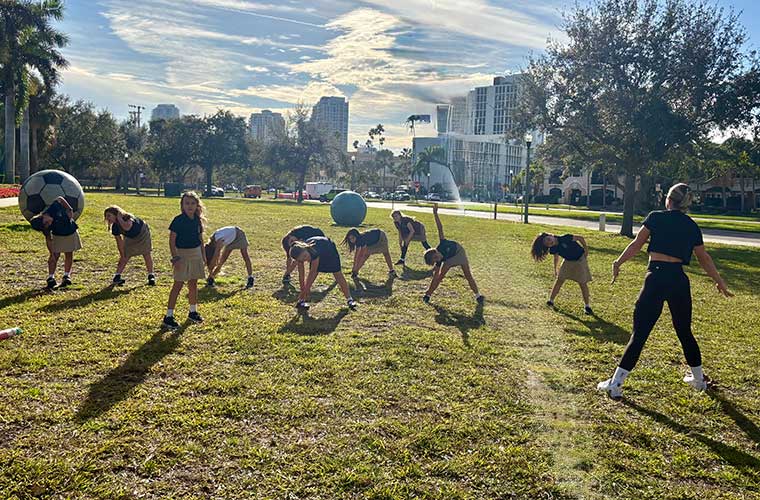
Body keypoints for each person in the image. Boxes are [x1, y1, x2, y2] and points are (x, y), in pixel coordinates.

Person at [597, 183, 733, 400]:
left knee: (640, 334)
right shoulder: (691, 225)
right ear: (686, 204)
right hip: (678, 279)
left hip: (656, 277)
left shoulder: (656, 217)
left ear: (668, 199)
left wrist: (618, 261)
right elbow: (704, 258)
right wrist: (719, 281)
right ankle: (698, 381)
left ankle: (615, 384)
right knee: (684, 331)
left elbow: (637, 244)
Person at [422, 204, 484, 304]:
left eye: (435, 257)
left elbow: (440, 228)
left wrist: (435, 213)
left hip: (459, 252)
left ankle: (478, 296)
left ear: (435, 251)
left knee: (467, 275)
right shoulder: (439, 262)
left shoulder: (442, 244)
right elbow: (435, 277)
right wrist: (427, 294)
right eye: (435, 261)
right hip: (449, 261)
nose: (437, 259)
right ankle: (428, 295)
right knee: (440, 276)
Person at [164, 192, 207, 328]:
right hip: (181, 255)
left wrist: (203, 256)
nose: (190, 206)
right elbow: (172, 241)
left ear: (197, 205)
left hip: (196, 254)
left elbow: (200, 240)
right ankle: (168, 316)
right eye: (187, 203)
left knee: (193, 284)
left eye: (192, 203)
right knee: (178, 284)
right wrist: (175, 258)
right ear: (182, 205)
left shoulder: (197, 220)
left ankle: (192, 312)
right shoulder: (178, 220)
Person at [289, 236, 358, 311]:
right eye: (302, 259)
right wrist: (303, 289)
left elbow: (313, 271)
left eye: (305, 256)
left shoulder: (313, 251)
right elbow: (301, 274)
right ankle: (301, 301)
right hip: (317, 252)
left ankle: (349, 299)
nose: (306, 259)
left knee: (337, 274)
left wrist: (307, 289)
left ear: (305, 248)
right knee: (308, 283)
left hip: (329, 250)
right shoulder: (301, 256)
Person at [530, 232, 593, 314]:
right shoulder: (553, 249)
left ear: (551, 235)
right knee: (559, 280)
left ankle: (587, 306)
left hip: (579, 260)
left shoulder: (565, 238)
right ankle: (551, 300)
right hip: (567, 261)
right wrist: (555, 269)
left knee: (582, 283)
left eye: (548, 239)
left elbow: (580, 238)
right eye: (547, 244)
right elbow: (556, 258)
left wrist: (586, 249)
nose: (549, 242)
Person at [30, 196, 82, 289]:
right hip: (57, 235)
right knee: (55, 256)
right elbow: (49, 239)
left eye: (46, 222)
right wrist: (51, 253)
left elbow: (59, 198)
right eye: (46, 225)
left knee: (68, 253)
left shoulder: (52, 208)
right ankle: (51, 278)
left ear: (43, 216)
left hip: (70, 231)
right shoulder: (45, 227)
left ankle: (66, 276)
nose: (48, 224)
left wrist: (69, 209)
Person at [103, 205, 155, 286]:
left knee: (146, 253)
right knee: (125, 255)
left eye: (109, 215)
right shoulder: (115, 227)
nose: (107, 218)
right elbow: (119, 241)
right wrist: (122, 253)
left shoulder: (127, 218)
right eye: (106, 216)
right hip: (130, 237)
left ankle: (151, 276)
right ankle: (117, 277)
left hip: (142, 233)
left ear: (116, 214)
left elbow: (127, 227)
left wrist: (119, 217)